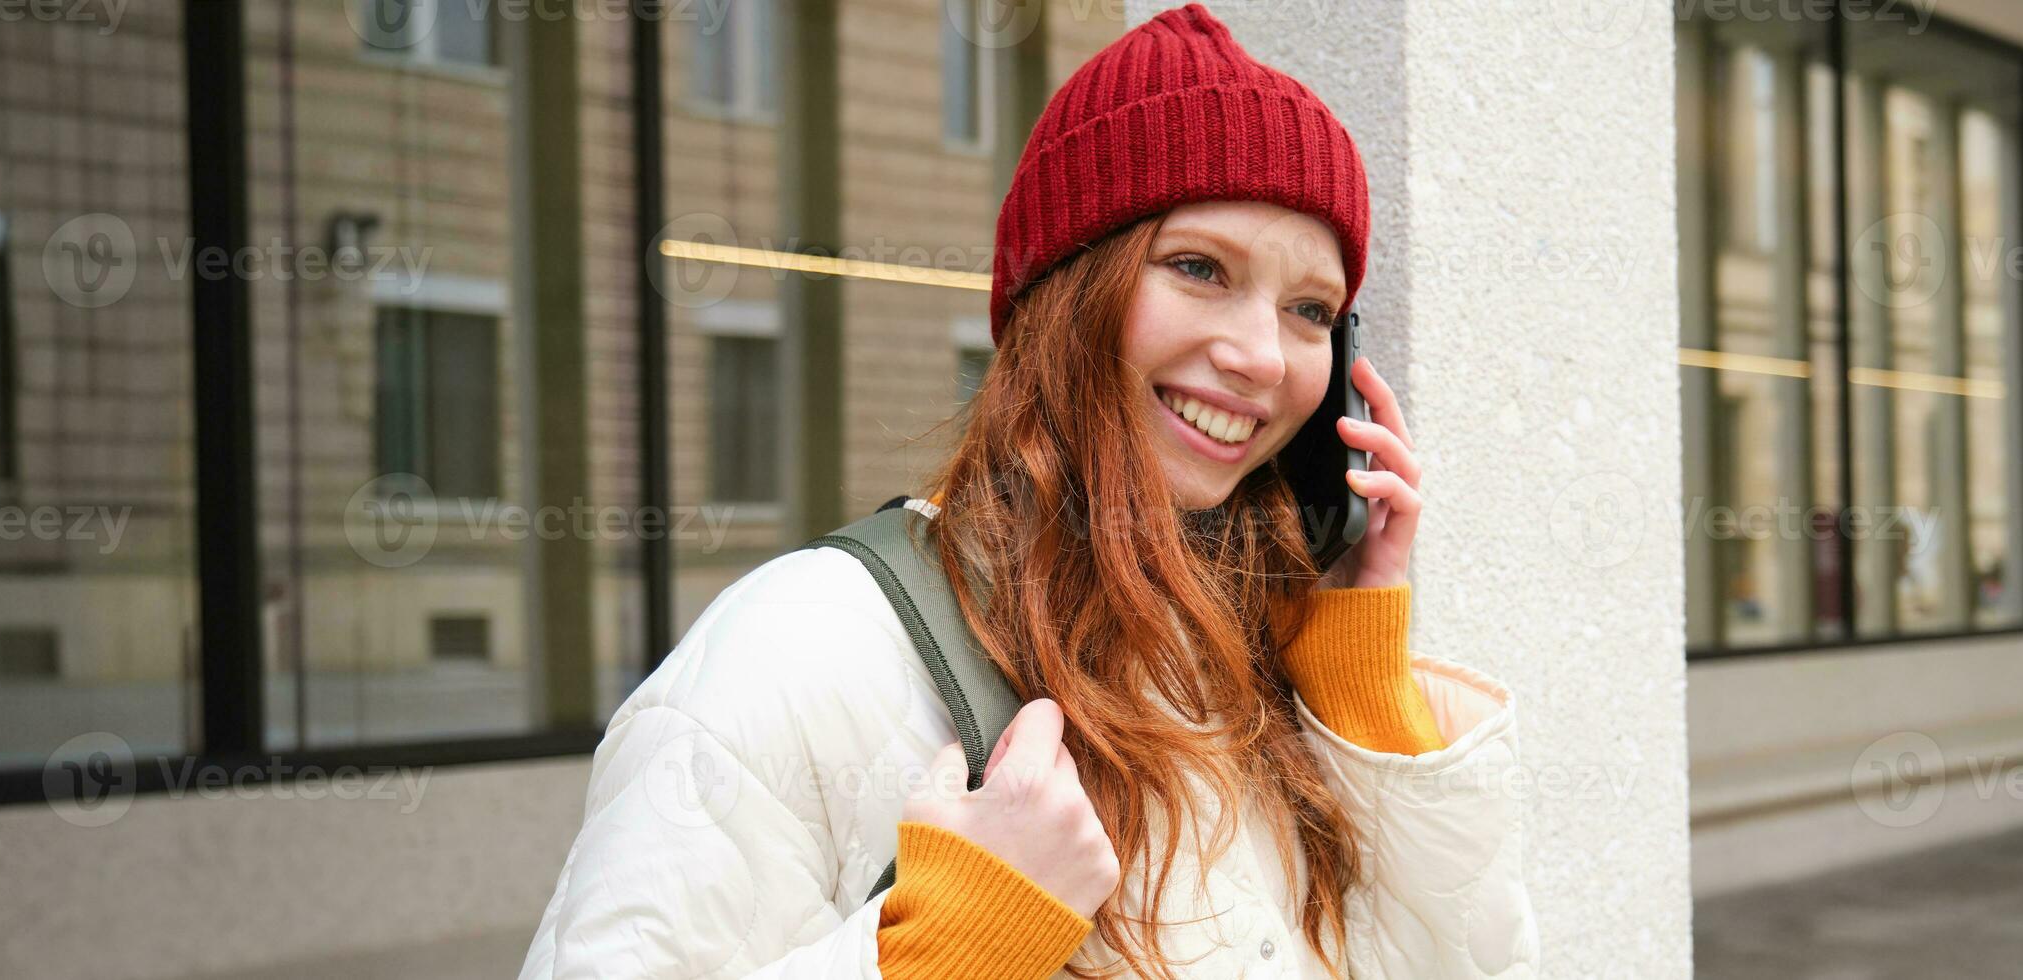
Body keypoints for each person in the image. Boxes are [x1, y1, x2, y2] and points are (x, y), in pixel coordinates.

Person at [516, 5, 1535, 978]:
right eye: (1197, 267)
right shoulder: (801, 645)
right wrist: (945, 949)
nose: (1263, 356)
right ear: (1064, 296)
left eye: (1310, 308)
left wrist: (1360, 692)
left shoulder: (1252, 665)